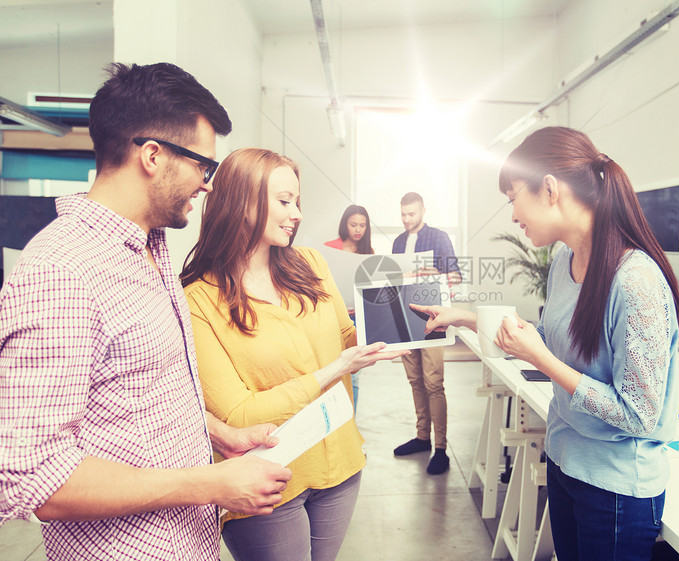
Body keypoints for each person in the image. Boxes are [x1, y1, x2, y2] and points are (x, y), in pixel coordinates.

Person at [0, 63, 292, 561]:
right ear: (153, 155)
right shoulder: (61, 270)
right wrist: (211, 485)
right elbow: (36, 476)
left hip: (188, 542)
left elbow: (139, 392)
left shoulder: (150, 248)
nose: (207, 185)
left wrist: (224, 436)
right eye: (205, 166)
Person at [411, 127, 679, 560]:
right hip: (564, 461)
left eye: (512, 196)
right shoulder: (564, 261)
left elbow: (639, 415)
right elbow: (550, 337)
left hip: (614, 490)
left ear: (550, 189)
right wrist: (465, 315)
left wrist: (541, 359)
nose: (512, 214)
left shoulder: (637, 281)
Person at [180, 148, 407, 561]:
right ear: (242, 202)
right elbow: (240, 415)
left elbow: (344, 335)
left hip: (339, 461)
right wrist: (335, 370)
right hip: (265, 479)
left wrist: (401, 321)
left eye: (297, 202)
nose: (297, 213)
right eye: (285, 201)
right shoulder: (198, 299)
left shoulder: (310, 264)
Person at [391, 192, 461, 475]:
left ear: (423, 211)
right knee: (415, 380)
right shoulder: (397, 242)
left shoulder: (439, 238)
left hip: (433, 319)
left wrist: (437, 274)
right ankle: (423, 438)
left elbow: (456, 276)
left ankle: (441, 448)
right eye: (403, 214)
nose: (407, 219)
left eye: (412, 214)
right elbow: (392, 280)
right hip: (406, 319)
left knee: (434, 383)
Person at [324, 204, 374, 409]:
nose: (358, 229)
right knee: (331, 370)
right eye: (353, 224)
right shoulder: (329, 248)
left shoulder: (368, 252)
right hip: (332, 318)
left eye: (362, 225)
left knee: (354, 374)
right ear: (345, 224)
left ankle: (350, 423)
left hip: (357, 318)